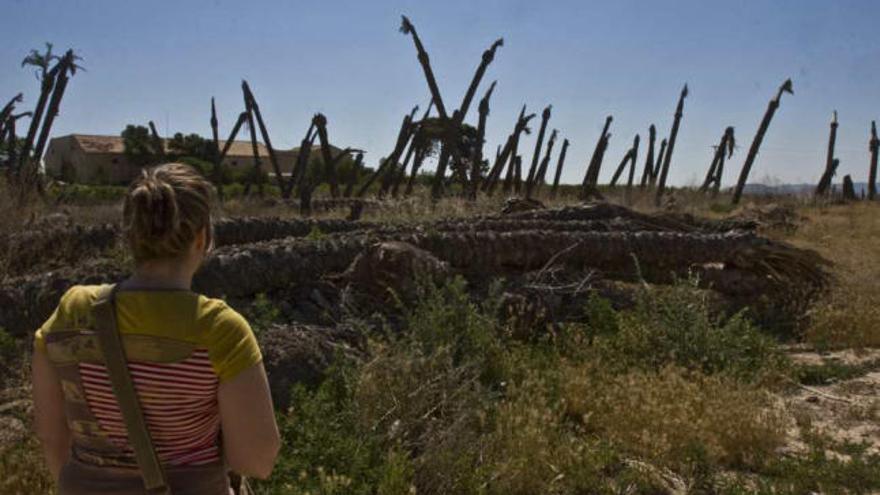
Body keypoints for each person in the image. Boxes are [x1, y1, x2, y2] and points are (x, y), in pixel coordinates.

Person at [31, 163, 280, 494]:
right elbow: (256, 459)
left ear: (130, 235)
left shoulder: (72, 313)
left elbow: (51, 436)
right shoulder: (219, 329)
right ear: (202, 238)